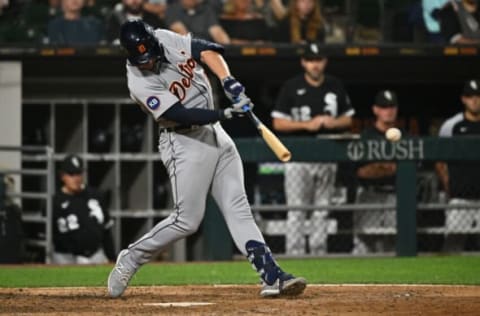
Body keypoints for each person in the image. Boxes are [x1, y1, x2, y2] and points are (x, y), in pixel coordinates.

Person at [107, 20, 306, 298]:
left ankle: (271, 275)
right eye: (142, 60)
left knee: (239, 207)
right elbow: (179, 114)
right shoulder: (138, 81)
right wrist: (223, 114)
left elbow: (207, 50)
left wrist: (228, 81)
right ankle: (131, 258)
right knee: (186, 220)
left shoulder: (164, 38)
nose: (148, 63)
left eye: (150, 56)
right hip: (183, 141)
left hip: (216, 134)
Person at [271, 43, 354, 255]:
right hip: (298, 156)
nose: (314, 65)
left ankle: (318, 252)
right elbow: (278, 123)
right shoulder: (292, 86)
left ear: (324, 61)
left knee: (322, 209)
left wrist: (332, 122)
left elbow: (348, 118)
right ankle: (295, 253)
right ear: (303, 62)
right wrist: (306, 125)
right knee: (297, 209)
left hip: (327, 154)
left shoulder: (335, 85)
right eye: (310, 60)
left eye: (318, 60)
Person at [353, 90, 403, 255]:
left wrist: (378, 168)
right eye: (383, 107)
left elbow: (411, 170)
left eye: (391, 107)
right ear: (375, 110)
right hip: (369, 195)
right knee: (364, 244)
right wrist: (388, 168)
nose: (388, 111)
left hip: (395, 196)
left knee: (394, 245)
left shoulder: (405, 138)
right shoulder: (366, 137)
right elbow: (360, 172)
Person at [436, 79, 480, 252]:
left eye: (478, 96)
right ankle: (446, 279)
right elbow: (439, 160)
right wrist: (448, 185)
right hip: (460, 197)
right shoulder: (451, 125)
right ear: (463, 99)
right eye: (470, 96)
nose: (475, 100)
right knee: (453, 245)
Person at [52, 155, 115, 264]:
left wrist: (112, 257)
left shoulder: (95, 195)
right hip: (66, 257)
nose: (76, 178)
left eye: (79, 173)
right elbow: (53, 236)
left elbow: (106, 230)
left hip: (96, 254)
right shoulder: (55, 201)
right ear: (62, 176)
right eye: (71, 174)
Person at [165, 0, 231, 44]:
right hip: (186, 49)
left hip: (209, 49)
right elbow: (182, 34)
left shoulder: (206, 9)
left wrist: (228, 48)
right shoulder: (172, 9)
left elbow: (217, 32)